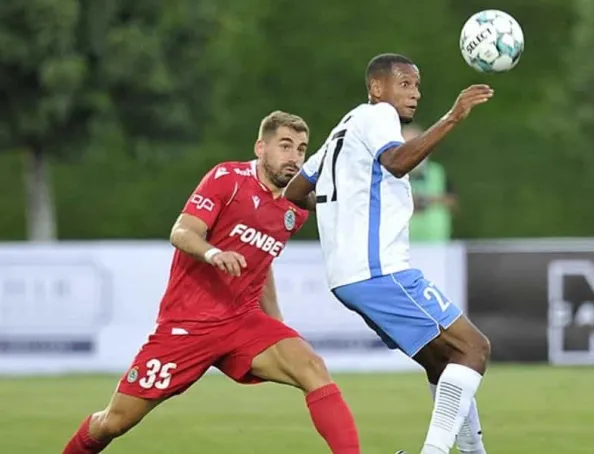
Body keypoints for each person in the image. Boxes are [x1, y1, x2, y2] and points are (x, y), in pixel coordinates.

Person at [62, 111, 362, 454]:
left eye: (301, 149)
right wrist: (213, 253)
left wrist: (276, 322)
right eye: (285, 146)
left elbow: (261, 263)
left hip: (242, 321)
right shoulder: (228, 179)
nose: (294, 157)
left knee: (312, 368)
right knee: (114, 422)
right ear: (261, 148)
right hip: (189, 325)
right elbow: (181, 231)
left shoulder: (295, 209)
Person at [284, 53, 492, 454]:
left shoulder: (344, 127)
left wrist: (341, 204)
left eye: (417, 86)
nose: (415, 94)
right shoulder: (379, 115)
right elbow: (396, 162)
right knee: (474, 348)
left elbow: (295, 190)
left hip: (348, 277)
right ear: (377, 88)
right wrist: (452, 117)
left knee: (443, 362)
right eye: (405, 84)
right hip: (378, 269)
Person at [403, 124, 459, 243]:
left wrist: (428, 200)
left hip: (436, 243)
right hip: (401, 245)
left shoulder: (437, 172)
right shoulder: (388, 175)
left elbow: (453, 202)